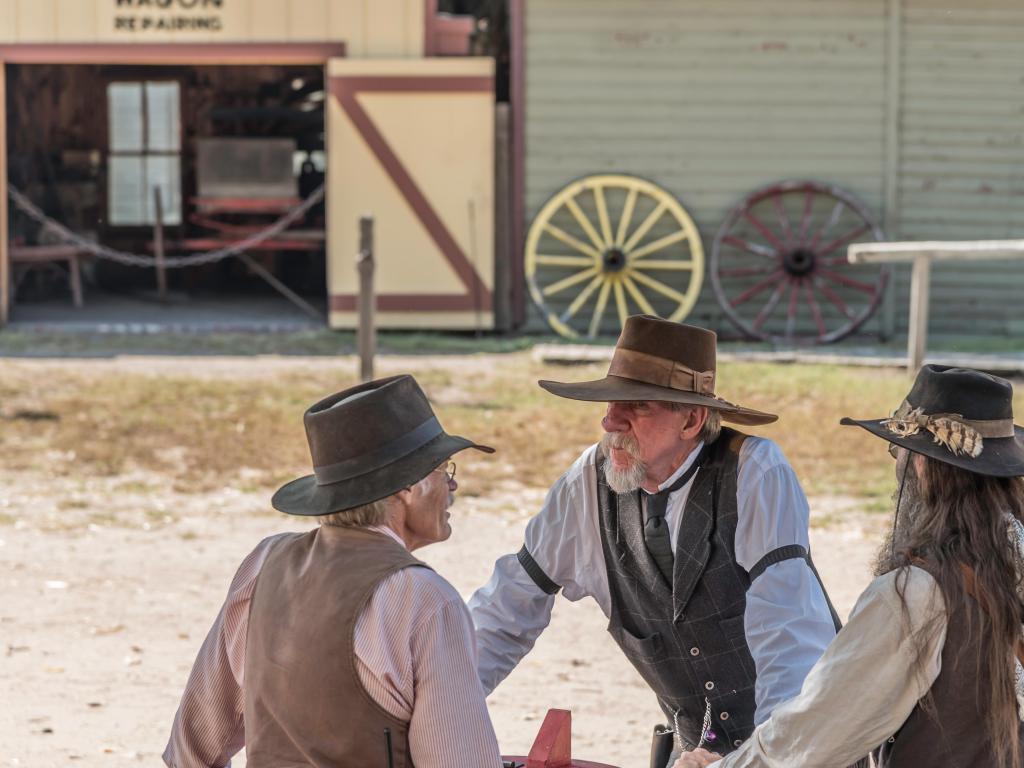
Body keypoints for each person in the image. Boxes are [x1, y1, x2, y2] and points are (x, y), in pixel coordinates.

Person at [469, 315, 843, 766]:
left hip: (799, 751)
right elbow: (506, 609)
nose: (610, 420)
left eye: (637, 406)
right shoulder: (587, 483)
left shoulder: (756, 472)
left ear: (692, 420)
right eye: (609, 403)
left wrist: (760, 760)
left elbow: (790, 640)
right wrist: (440, 702)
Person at [675, 364, 1024, 768]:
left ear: (923, 467)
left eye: (898, 452)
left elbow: (813, 737)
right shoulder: (1012, 555)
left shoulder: (918, 595)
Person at [163, 374, 503, 768]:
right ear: (406, 487)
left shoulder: (265, 562)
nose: (453, 484)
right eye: (444, 469)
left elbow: (192, 748)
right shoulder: (424, 598)